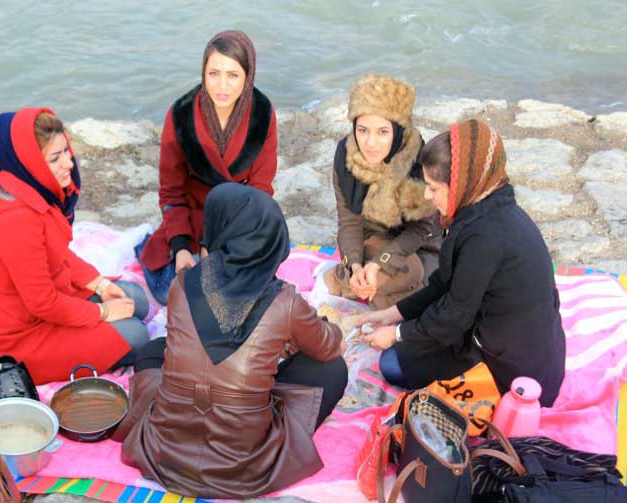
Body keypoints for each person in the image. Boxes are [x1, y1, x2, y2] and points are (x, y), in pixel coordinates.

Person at [115, 183, 347, 499]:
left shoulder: (183, 284)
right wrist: (324, 326)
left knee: (155, 350)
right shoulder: (286, 302)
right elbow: (328, 346)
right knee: (332, 369)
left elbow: (204, 343)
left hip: (166, 450)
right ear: (272, 240)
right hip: (242, 463)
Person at [358, 119, 566, 407]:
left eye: (433, 188)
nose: (428, 196)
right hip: (528, 347)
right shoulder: (489, 209)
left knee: (392, 362)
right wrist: (393, 313)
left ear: (459, 185)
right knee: (408, 348)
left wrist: (395, 335)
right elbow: (446, 283)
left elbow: (453, 316)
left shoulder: (484, 237)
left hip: (517, 372)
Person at [0, 107, 150, 384]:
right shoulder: (13, 220)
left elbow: (58, 252)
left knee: (135, 298)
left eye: (66, 151)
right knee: (136, 335)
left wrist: (100, 285)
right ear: (28, 163)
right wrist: (101, 312)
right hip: (19, 337)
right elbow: (42, 302)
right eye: (55, 158)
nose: (69, 164)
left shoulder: (29, 188)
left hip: (48, 303)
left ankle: (100, 329)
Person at [136, 30, 278, 305]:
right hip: (190, 219)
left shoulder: (262, 114)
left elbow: (260, 192)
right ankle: (156, 244)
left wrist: (216, 246)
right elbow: (171, 191)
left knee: (244, 297)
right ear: (203, 72)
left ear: (248, 77)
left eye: (233, 75)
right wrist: (180, 247)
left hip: (238, 224)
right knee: (175, 296)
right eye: (213, 73)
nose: (221, 85)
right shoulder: (181, 114)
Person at [325, 74, 441, 309]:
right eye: (363, 130)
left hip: (418, 243)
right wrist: (356, 266)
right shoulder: (346, 157)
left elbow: (422, 228)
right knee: (374, 277)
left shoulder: (419, 161)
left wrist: (380, 264)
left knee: (416, 272)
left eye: (382, 132)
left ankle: (347, 284)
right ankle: (361, 283)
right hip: (371, 236)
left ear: (397, 130)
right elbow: (349, 221)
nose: (370, 142)